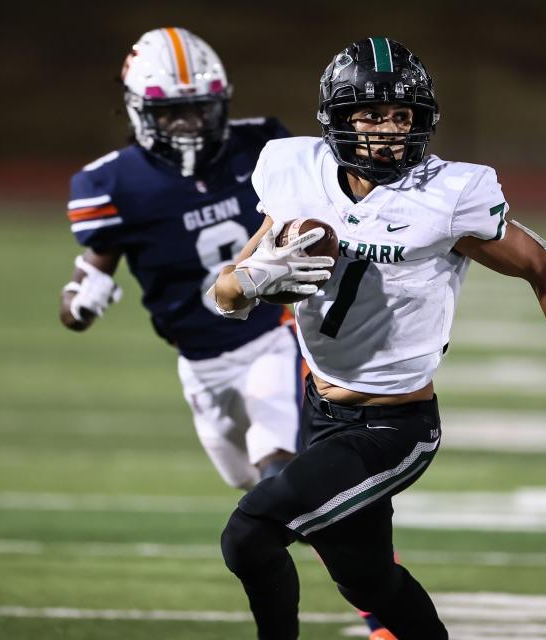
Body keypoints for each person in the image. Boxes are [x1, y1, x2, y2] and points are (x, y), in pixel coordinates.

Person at [211, 37, 546, 639]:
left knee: (249, 536)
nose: (388, 130)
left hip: (392, 425)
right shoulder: (292, 171)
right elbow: (223, 295)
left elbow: (542, 267)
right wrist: (250, 281)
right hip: (320, 410)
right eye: (372, 114)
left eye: (402, 115)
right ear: (338, 118)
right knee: (368, 581)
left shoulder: (448, 195)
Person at [58, 27, 398, 639]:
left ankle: (383, 618)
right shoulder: (108, 184)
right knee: (250, 477)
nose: (189, 124)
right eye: (173, 111)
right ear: (139, 111)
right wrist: (81, 297)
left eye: (200, 108)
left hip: (275, 334)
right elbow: (93, 267)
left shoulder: (263, 144)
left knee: (285, 478)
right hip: (200, 362)